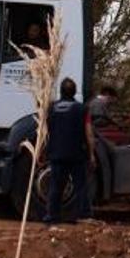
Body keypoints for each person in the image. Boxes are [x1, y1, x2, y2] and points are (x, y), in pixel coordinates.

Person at [44, 77, 95, 224]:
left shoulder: (51, 108)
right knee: (80, 186)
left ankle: (52, 217)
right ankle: (84, 215)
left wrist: (43, 150)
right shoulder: (82, 109)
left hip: (56, 153)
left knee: (55, 187)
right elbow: (89, 133)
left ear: (60, 91)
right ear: (74, 92)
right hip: (76, 154)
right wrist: (91, 154)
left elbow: (44, 131)